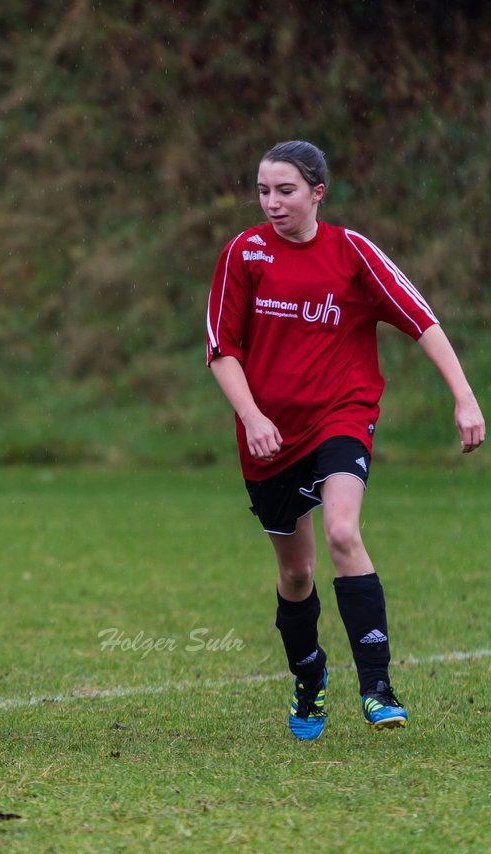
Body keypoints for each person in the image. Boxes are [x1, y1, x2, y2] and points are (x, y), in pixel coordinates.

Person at [205, 140, 485, 741]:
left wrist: (464, 396)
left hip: (342, 415)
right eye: (263, 190)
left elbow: (421, 320)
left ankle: (378, 688)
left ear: (317, 193)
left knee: (342, 531)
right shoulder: (243, 254)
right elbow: (222, 351)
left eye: (286, 190)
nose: (272, 203)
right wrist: (253, 417)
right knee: (298, 574)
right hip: (269, 434)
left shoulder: (351, 253)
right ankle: (309, 684)